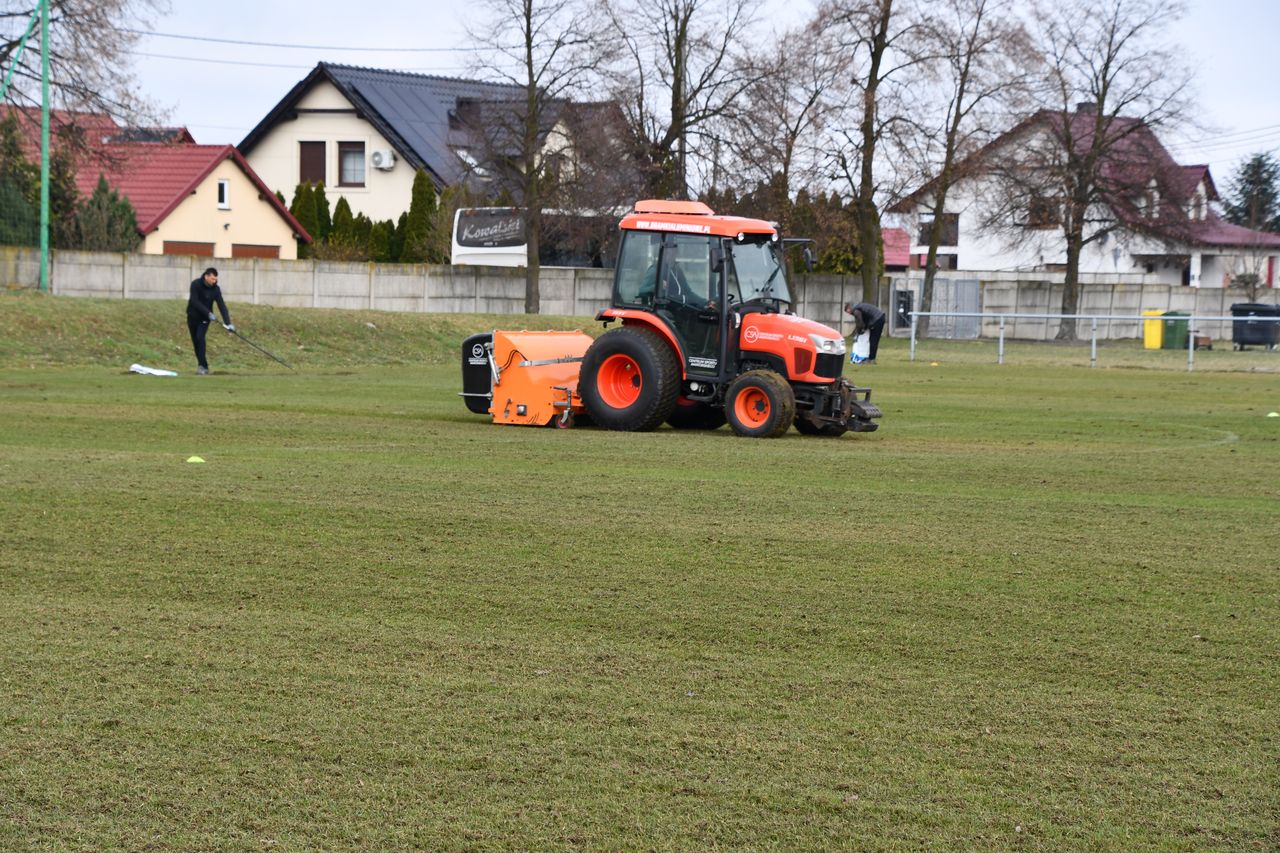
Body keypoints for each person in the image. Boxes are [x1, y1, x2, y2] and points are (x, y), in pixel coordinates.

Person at [186, 267, 234, 374]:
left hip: (204, 319)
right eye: (212, 279)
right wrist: (208, 312)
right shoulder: (196, 284)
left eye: (215, 279)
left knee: (200, 338)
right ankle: (202, 365)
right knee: (195, 342)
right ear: (206, 276)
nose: (214, 281)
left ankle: (203, 366)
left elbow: (221, 305)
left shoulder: (216, 289)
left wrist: (228, 323)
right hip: (192, 317)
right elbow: (194, 301)